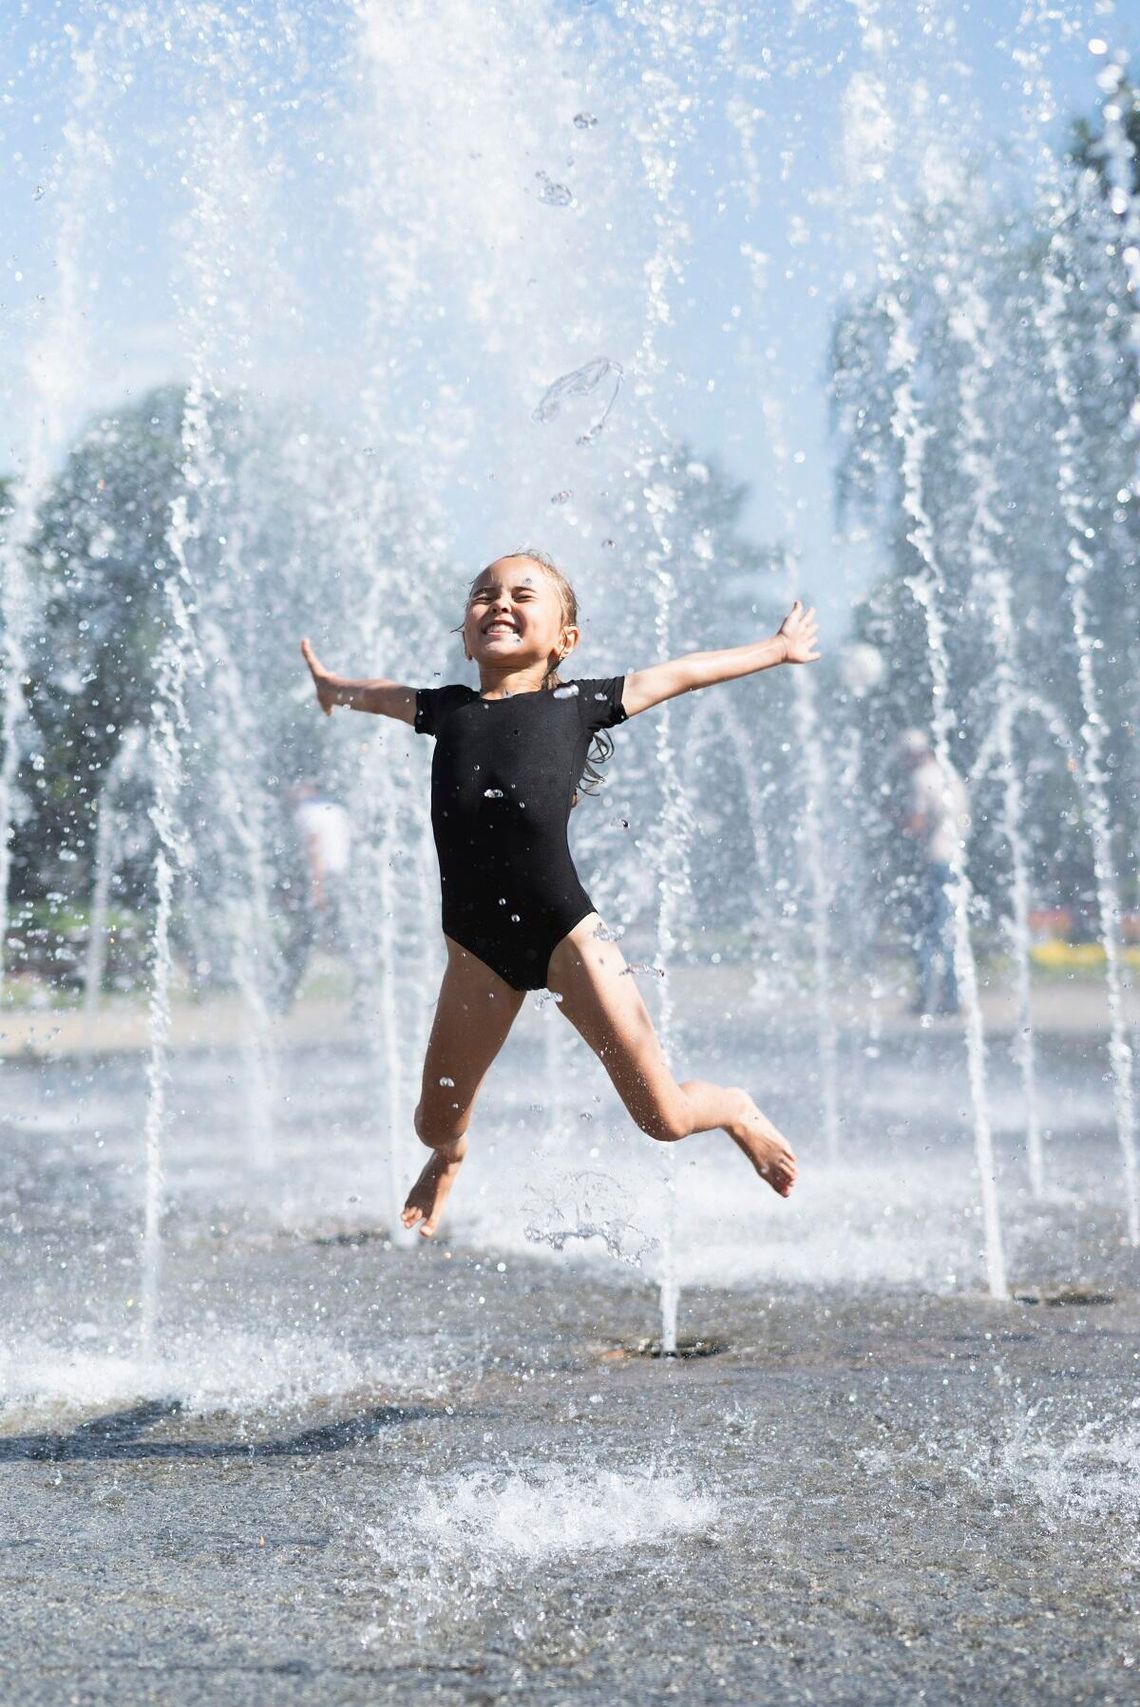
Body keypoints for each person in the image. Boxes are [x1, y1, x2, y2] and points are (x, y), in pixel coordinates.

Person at [300, 549, 819, 1238]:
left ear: (564, 639)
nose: (499, 603)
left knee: (663, 1118)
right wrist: (336, 690)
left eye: (522, 593)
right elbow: (382, 694)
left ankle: (733, 1108)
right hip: (475, 949)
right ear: (464, 632)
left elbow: (685, 672)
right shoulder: (445, 709)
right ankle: (450, 1157)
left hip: (568, 935)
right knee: (432, 1122)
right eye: (483, 594)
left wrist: (778, 648)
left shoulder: (580, 704)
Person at [896, 728, 970, 1017]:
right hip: (956, 859)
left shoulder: (920, 779)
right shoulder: (949, 775)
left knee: (927, 932)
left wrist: (891, 819)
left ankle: (927, 995)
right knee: (950, 929)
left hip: (935, 859)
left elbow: (916, 824)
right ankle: (952, 996)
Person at [276, 781, 352, 1008]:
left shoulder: (306, 813)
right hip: (341, 878)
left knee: (304, 939)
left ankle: (283, 995)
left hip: (321, 879)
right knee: (349, 939)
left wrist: (317, 890)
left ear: (305, 788)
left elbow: (315, 849)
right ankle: (365, 996)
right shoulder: (337, 811)